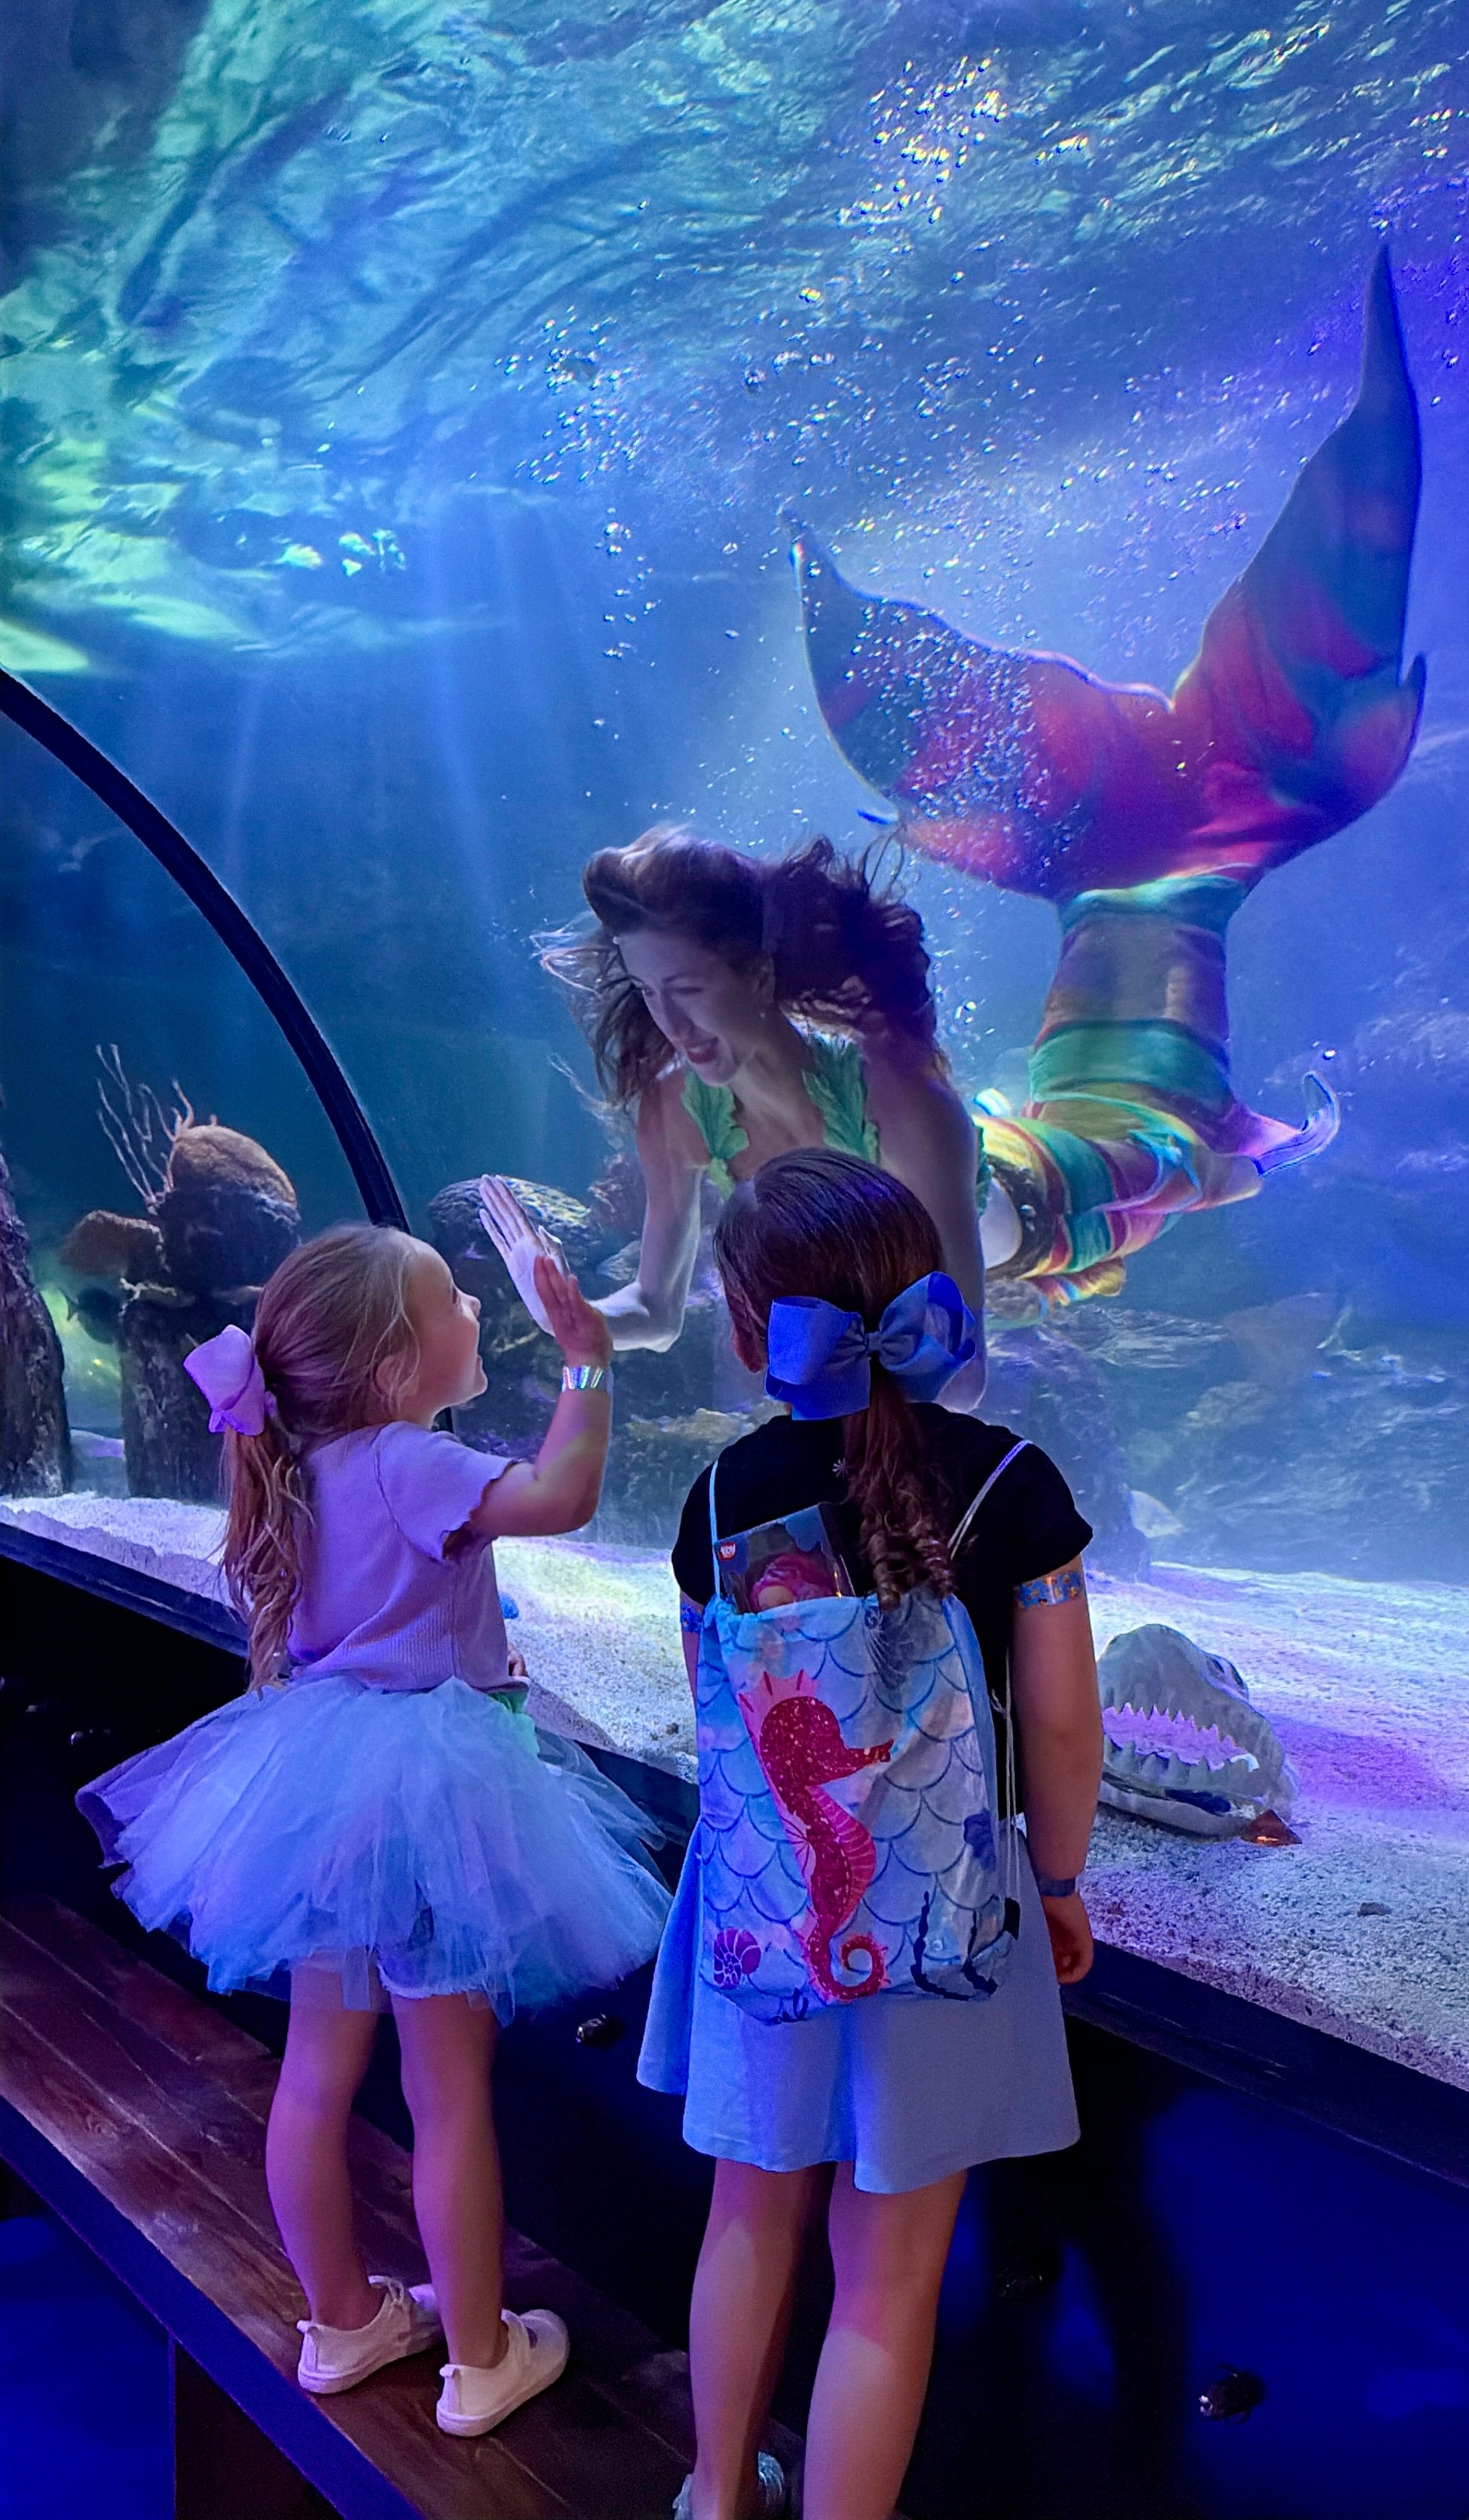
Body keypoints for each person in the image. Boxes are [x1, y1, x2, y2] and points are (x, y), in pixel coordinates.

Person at [77, 1225, 669, 2439]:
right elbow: (561, 1496)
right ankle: (478, 2359)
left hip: (324, 1796)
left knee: (315, 2073)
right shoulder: (410, 1459)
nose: (472, 1306)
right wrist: (588, 1364)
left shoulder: (296, 1458)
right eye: (453, 1296)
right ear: (399, 1370)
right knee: (447, 2096)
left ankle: (344, 2322)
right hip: (437, 1796)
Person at [790, 252, 1424, 1310]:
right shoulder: (1161, 1183)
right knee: (1104, 1178)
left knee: (1088, 1184)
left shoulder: (1145, 1194)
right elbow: (1215, 1167)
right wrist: (1304, 1137)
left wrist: (1302, 1137)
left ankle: (952, 1192)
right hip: (1106, 1120)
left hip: (1093, 1114)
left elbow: (1208, 1172)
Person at [638, 1150, 1105, 2520]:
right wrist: (1060, 1880)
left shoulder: (715, 1501)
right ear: (930, 1303)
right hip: (946, 1922)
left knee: (748, 2213)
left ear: (746, 1327)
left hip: (764, 1905)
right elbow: (1067, 1729)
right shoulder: (1013, 1479)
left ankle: (718, 2496)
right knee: (888, 2277)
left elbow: (714, 1709)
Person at [482, 830, 989, 1404]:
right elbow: (656, 1309)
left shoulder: (900, 1103)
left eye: (689, 988)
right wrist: (569, 1316)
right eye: (648, 992)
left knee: (1074, 1206)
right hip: (886, 1300)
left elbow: (964, 1379)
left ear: (759, 975)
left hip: (1013, 1222)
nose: (672, 1023)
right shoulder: (675, 1112)